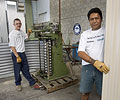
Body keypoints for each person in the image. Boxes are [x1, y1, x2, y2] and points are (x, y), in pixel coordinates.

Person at [78, 7, 110, 100]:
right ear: (89, 21)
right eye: (92, 19)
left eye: (97, 18)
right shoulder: (85, 34)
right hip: (88, 67)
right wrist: (94, 62)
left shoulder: (107, 31)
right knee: (84, 92)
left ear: (101, 19)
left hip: (103, 66)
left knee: (103, 92)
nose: (94, 21)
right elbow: (80, 52)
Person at [9, 18, 41, 91]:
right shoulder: (12, 34)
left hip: (23, 53)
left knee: (26, 69)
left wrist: (29, 32)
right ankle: (18, 84)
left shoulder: (21, 32)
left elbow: (26, 37)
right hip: (16, 54)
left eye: (20, 23)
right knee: (17, 70)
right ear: (14, 25)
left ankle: (32, 83)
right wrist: (17, 56)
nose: (18, 25)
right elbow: (12, 46)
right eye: (17, 24)